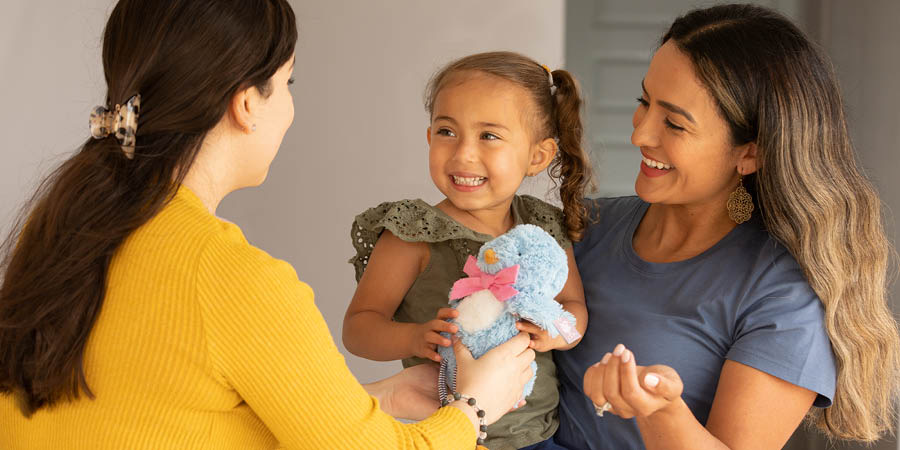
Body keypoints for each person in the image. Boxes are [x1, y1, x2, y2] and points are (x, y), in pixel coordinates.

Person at [0, 0, 537, 448]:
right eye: (287, 82)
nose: (291, 107)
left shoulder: (60, 233)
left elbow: (163, 415)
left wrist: (382, 397)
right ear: (245, 104)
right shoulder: (230, 276)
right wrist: (474, 408)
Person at [552, 4, 900, 449]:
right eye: (644, 102)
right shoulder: (582, 227)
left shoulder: (783, 294)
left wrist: (660, 411)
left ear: (750, 153)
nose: (639, 134)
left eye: (674, 123)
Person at [343, 51, 592, 449]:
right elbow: (358, 328)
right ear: (429, 137)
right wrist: (414, 337)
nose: (462, 154)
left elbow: (573, 308)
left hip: (540, 435)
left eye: (488, 136)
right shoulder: (413, 233)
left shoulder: (542, 226)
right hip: (450, 435)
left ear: (537, 156)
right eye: (447, 131)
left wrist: (557, 334)